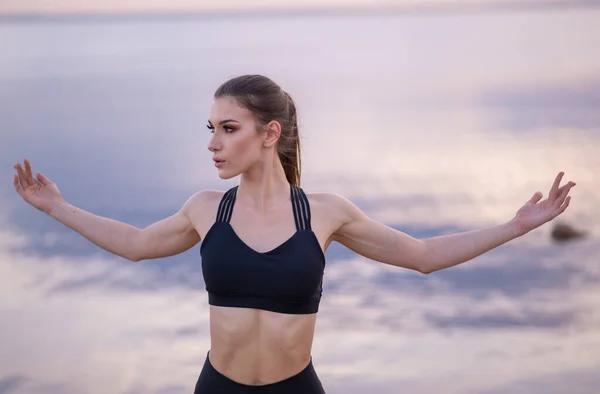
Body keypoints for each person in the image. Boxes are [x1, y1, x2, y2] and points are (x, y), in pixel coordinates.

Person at [13, 74, 576, 394]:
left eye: (228, 129)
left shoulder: (326, 213)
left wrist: (514, 226)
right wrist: (56, 206)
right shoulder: (206, 209)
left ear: (269, 133)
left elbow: (423, 255)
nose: (213, 142)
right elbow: (135, 245)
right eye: (210, 129)